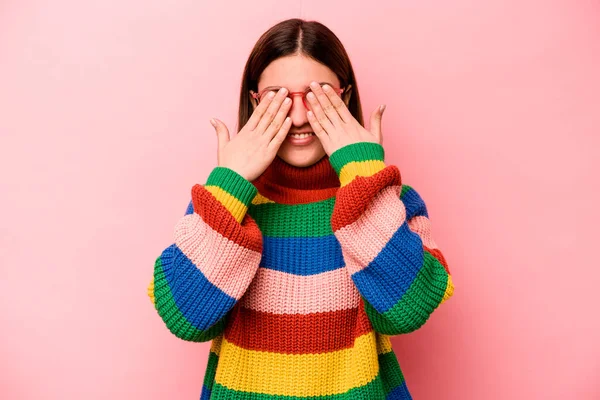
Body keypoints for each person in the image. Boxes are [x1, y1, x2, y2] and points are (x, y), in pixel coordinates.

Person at [147, 18, 454, 400]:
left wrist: (364, 174)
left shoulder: (389, 200)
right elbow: (186, 317)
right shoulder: (223, 204)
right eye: (277, 97)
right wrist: (230, 182)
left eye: (316, 94)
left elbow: (408, 310)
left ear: (344, 97)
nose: (298, 117)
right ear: (254, 101)